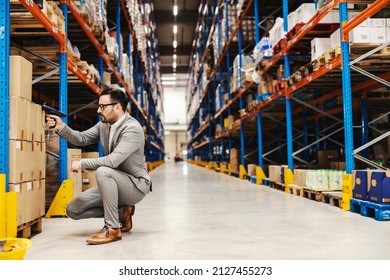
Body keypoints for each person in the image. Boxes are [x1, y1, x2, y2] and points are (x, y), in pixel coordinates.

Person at [46, 88, 152, 245]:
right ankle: (123, 212)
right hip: (113, 181)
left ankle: (112, 228)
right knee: (73, 210)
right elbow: (81, 138)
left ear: (117, 107)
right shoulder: (104, 125)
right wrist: (61, 126)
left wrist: (82, 163)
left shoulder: (133, 129)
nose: (98, 110)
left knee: (104, 171)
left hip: (135, 185)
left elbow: (112, 161)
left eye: (103, 107)